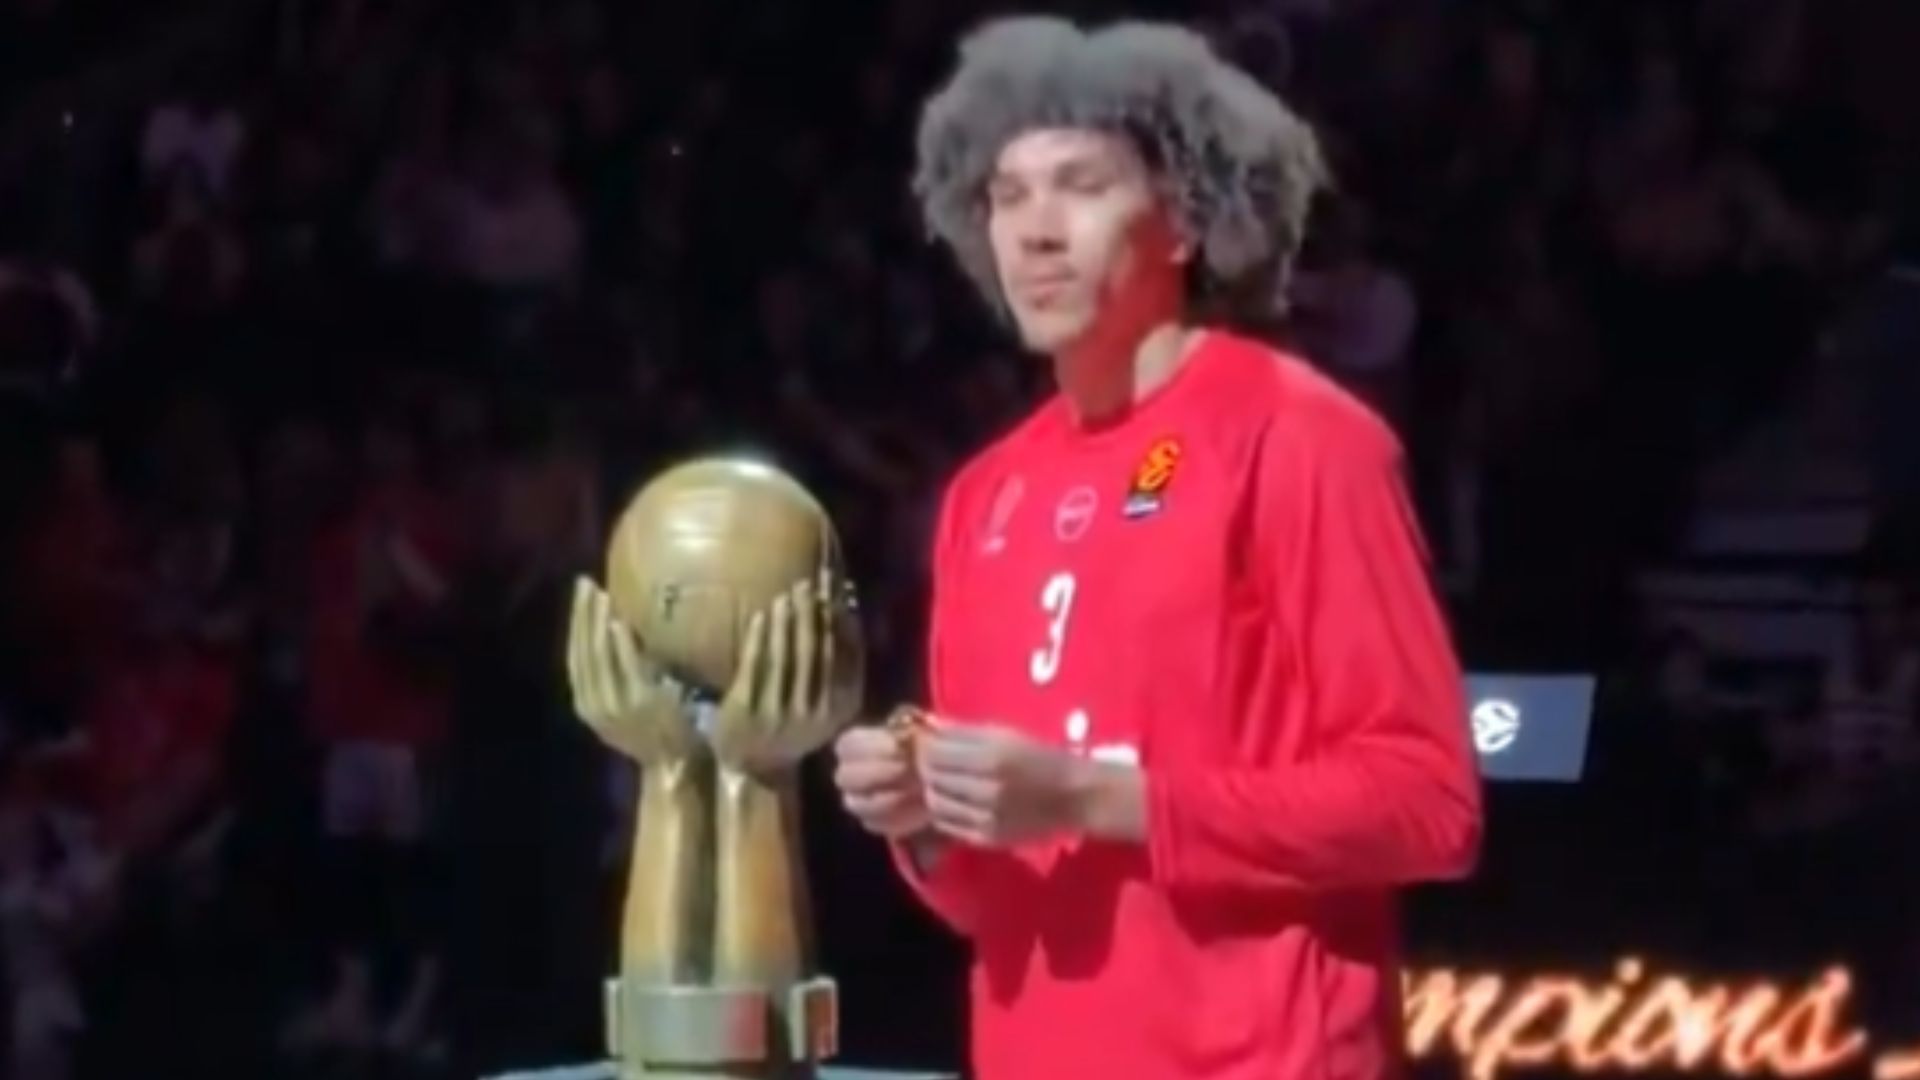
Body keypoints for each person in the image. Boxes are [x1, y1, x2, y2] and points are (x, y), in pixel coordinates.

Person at [831, 17, 1483, 1080]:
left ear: (1182, 219)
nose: (1035, 231)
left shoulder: (1302, 438)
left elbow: (1429, 803)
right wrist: (927, 824)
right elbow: (991, 899)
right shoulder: (983, 495)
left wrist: (1095, 798)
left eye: (1081, 186)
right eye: (1007, 196)